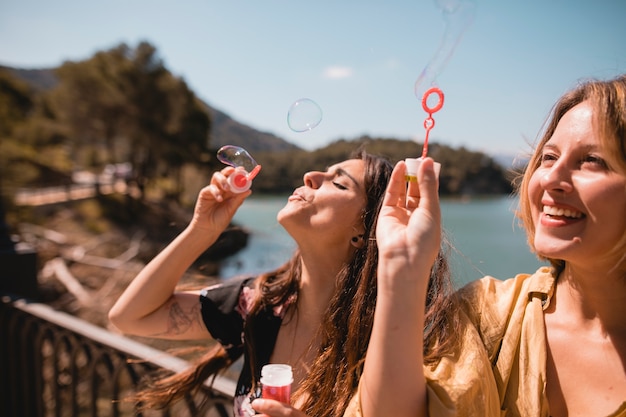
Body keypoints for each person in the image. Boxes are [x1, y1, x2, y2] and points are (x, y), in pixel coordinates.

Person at [348, 74, 626, 417]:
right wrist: (400, 266)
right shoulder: (488, 315)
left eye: (592, 161)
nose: (551, 178)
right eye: (549, 157)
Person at [108, 149, 457, 417]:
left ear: (365, 230)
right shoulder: (258, 304)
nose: (310, 175)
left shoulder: (392, 342)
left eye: (338, 182)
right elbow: (130, 317)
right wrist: (202, 230)